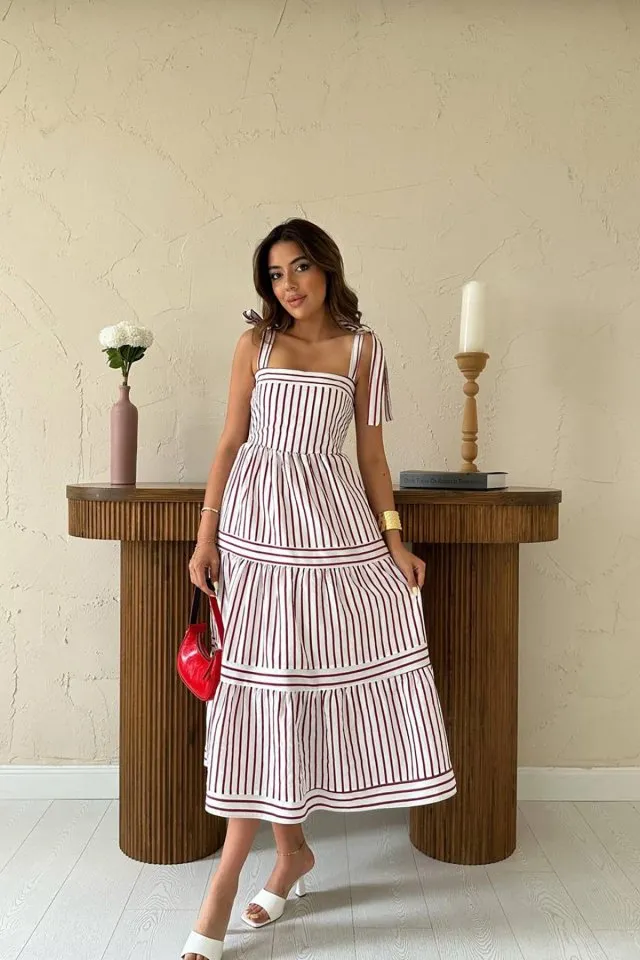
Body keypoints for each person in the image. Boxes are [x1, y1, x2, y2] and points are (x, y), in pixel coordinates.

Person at [181, 219, 456, 960]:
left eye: (300, 267)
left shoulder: (364, 348)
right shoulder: (256, 344)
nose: (289, 285)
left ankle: (283, 858)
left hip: (332, 529)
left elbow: (371, 455)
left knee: (297, 685)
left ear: (327, 268)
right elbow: (230, 442)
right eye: (275, 274)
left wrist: (394, 540)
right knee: (263, 693)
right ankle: (248, 874)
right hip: (254, 535)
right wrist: (205, 538)